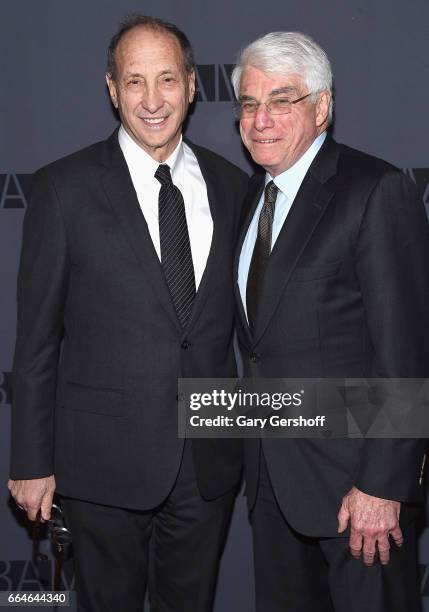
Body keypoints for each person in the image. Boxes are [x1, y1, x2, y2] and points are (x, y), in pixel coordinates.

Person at [8, 15, 248, 612]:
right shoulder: (63, 190)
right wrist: (31, 461)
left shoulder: (234, 187)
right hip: (102, 464)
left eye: (167, 79)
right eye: (134, 81)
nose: (151, 99)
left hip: (207, 463)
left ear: (193, 86)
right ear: (111, 89)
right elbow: (36, 341)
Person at [231, 31, 429, 612]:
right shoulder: (251, 196)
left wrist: (383, 485)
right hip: (272, 486)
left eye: (281, 100)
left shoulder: (375, 190)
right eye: (249, 103)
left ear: (321, 108)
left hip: (357, 494)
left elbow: (408, 351)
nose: (261, 119)